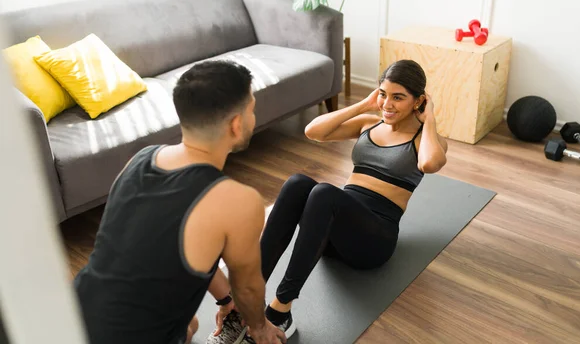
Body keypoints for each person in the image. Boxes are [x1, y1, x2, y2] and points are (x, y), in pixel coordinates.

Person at [208, 59, 448, 342]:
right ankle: (247, 299)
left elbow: (431, 164)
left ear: (418, 101)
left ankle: (279, 311)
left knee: (324, 193)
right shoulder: (369, 124)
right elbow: (313, 131)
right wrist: (363, 105)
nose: (388, 104)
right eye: (383, 94)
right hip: (332, 228)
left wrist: (429, 117)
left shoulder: (425, 139)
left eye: (398, 98)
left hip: (373, 242)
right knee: (298, 183)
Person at [73, 60, 286, 344]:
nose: (253, 116)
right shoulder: (238, 201)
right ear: (236, 124)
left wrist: (225, 299)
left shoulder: (141, 158)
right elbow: (247, 290)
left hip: (72, 314)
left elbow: (169, 247)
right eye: (251, 108)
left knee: (190, 325)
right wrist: (260, 329)